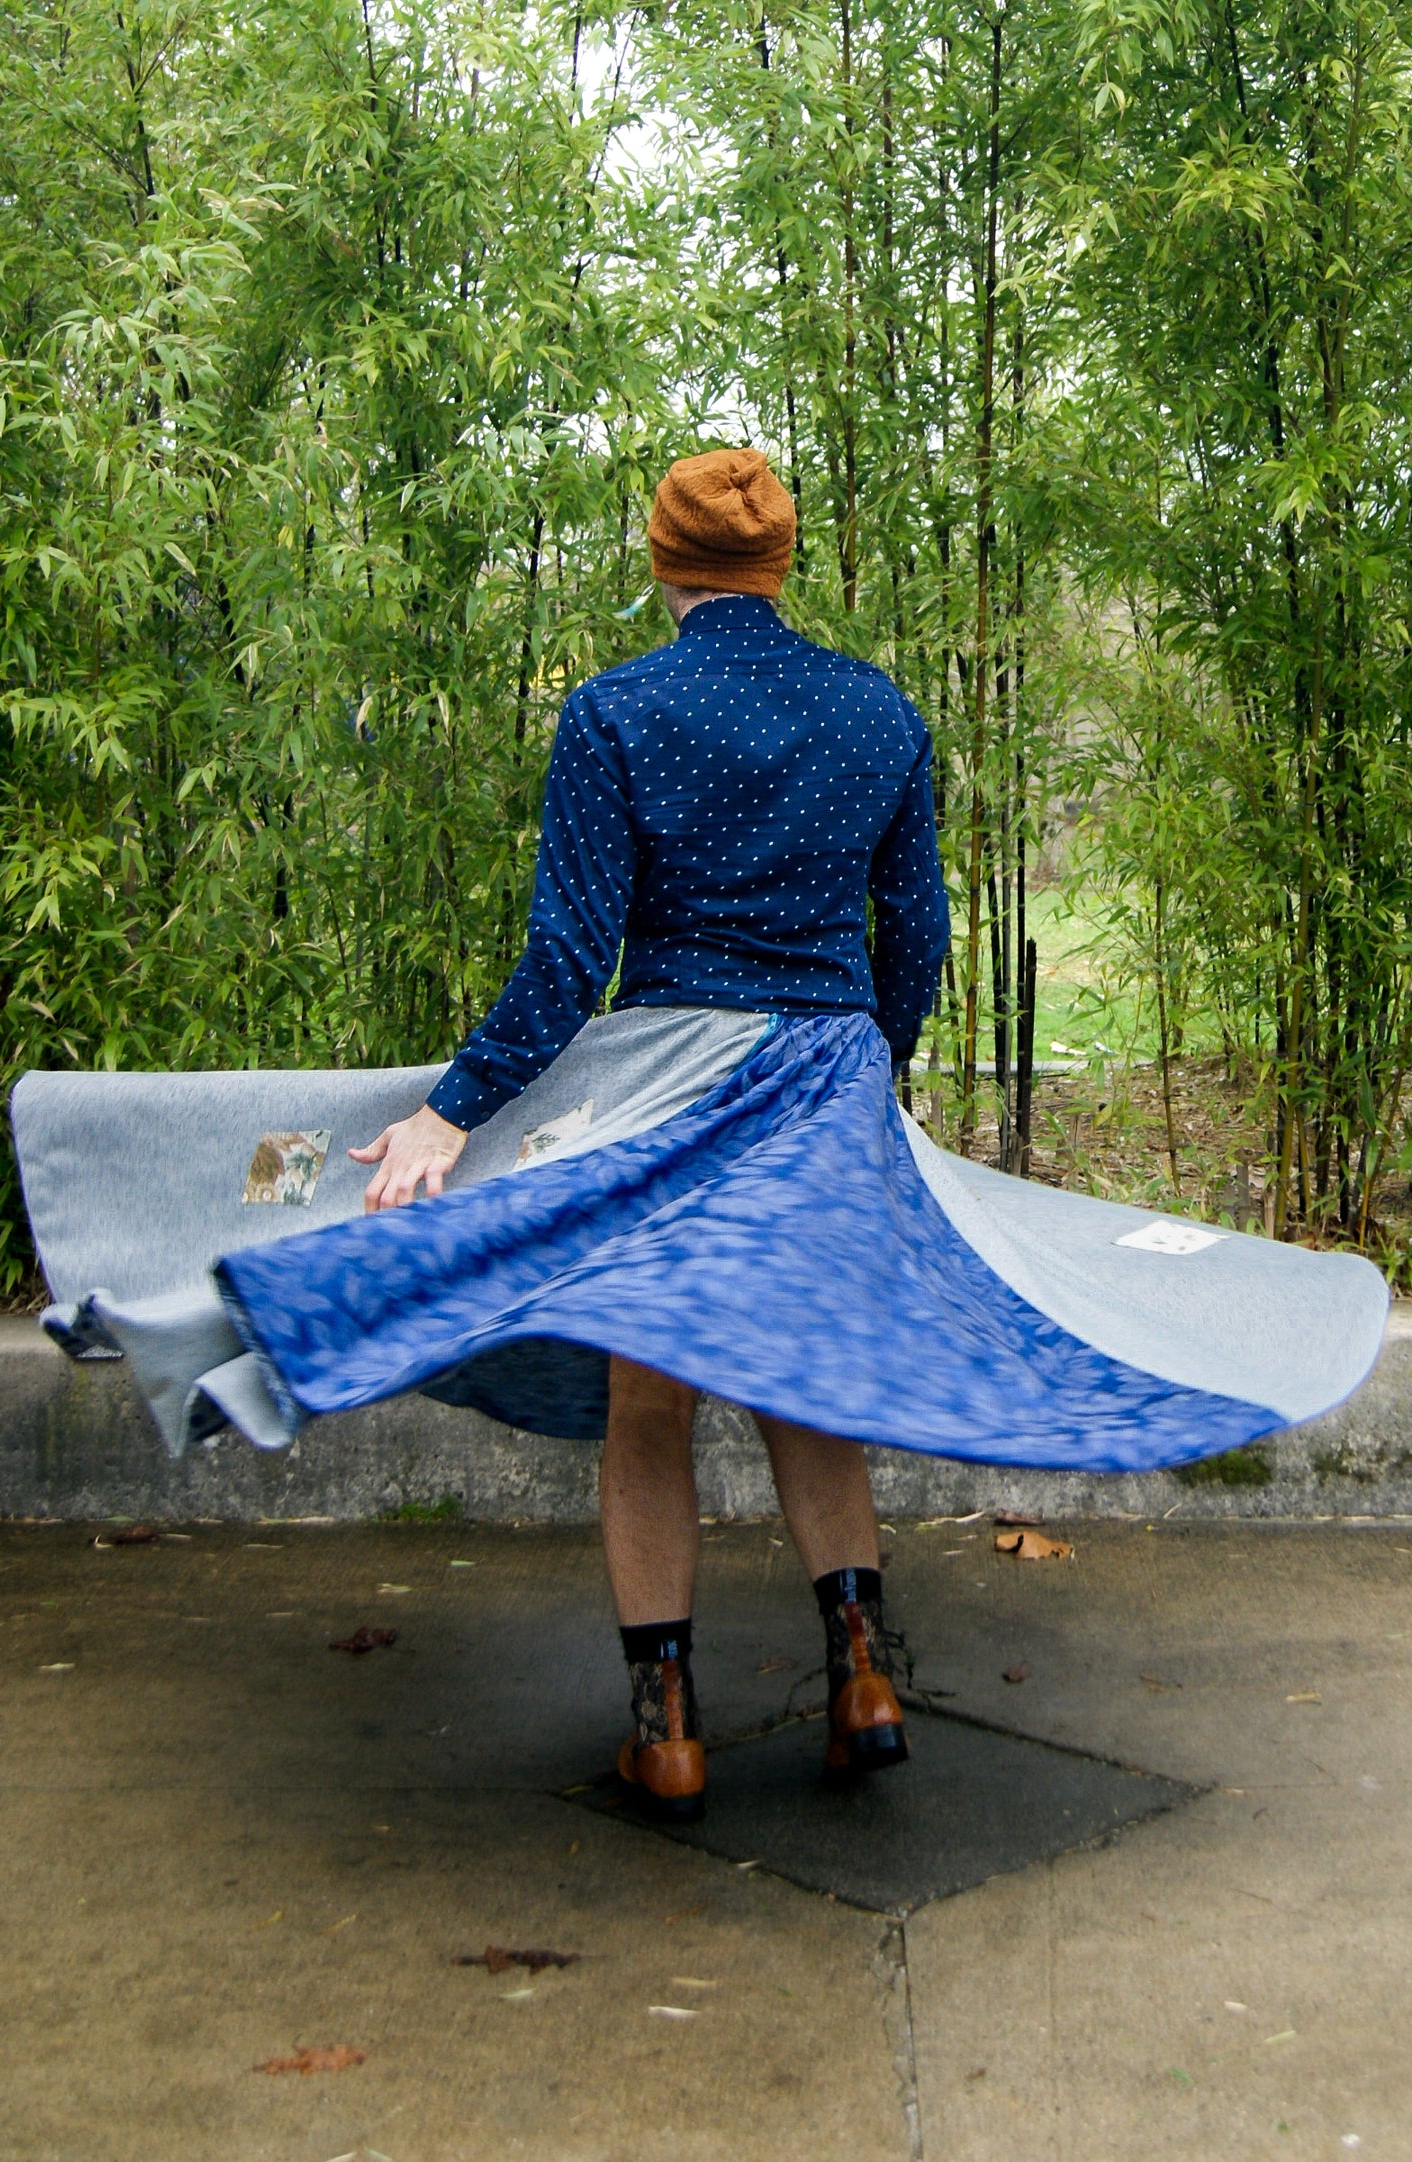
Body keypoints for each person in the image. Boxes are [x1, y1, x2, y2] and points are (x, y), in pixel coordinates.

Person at [343, 447, 949, 1820]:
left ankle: (667, 1731)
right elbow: (913, 934)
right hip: (825, 1079)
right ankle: (861, 1677)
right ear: (778, 562)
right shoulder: (876, 710)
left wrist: (452, 1111)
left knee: (647, 1400)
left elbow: (568, 957)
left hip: (670, 1090)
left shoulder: (615, 710)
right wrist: (877, 1079)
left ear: (662, 559)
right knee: (802, 1379)